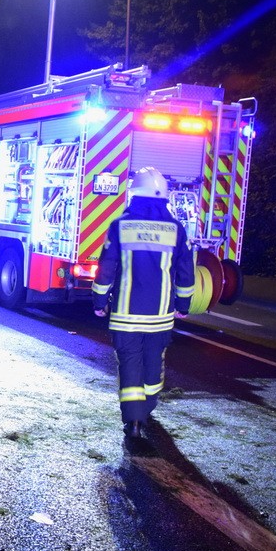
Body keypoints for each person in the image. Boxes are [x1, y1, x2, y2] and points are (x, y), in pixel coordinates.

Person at [92, 167, 195, 439]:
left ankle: (133, 421)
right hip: (160, 318)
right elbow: (185, 271)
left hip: (126, 316)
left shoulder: (120, 226)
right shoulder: (176, 230)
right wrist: (183, 305)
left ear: (134, 195)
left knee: (129, 364)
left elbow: (106, 268)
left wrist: (99, 301)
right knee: (153, 363)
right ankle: (147, 410)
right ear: (164, 198)